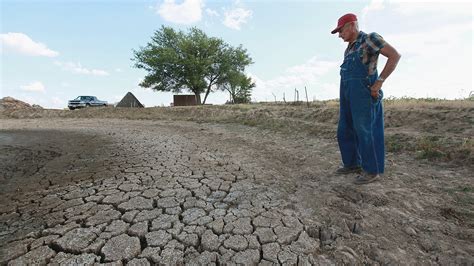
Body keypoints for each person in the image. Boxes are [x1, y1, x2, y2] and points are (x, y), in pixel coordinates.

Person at [331, 13, 401, 184]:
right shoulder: (349, 48)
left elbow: (394, 56)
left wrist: (379, 83)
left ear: (351, 25)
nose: (339, 35)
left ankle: (371, 170)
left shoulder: (370, 39)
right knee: (345, 128)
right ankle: (352, 163)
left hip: (363, 91)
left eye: (341, 31)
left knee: (365, 130)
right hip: (347, 91)